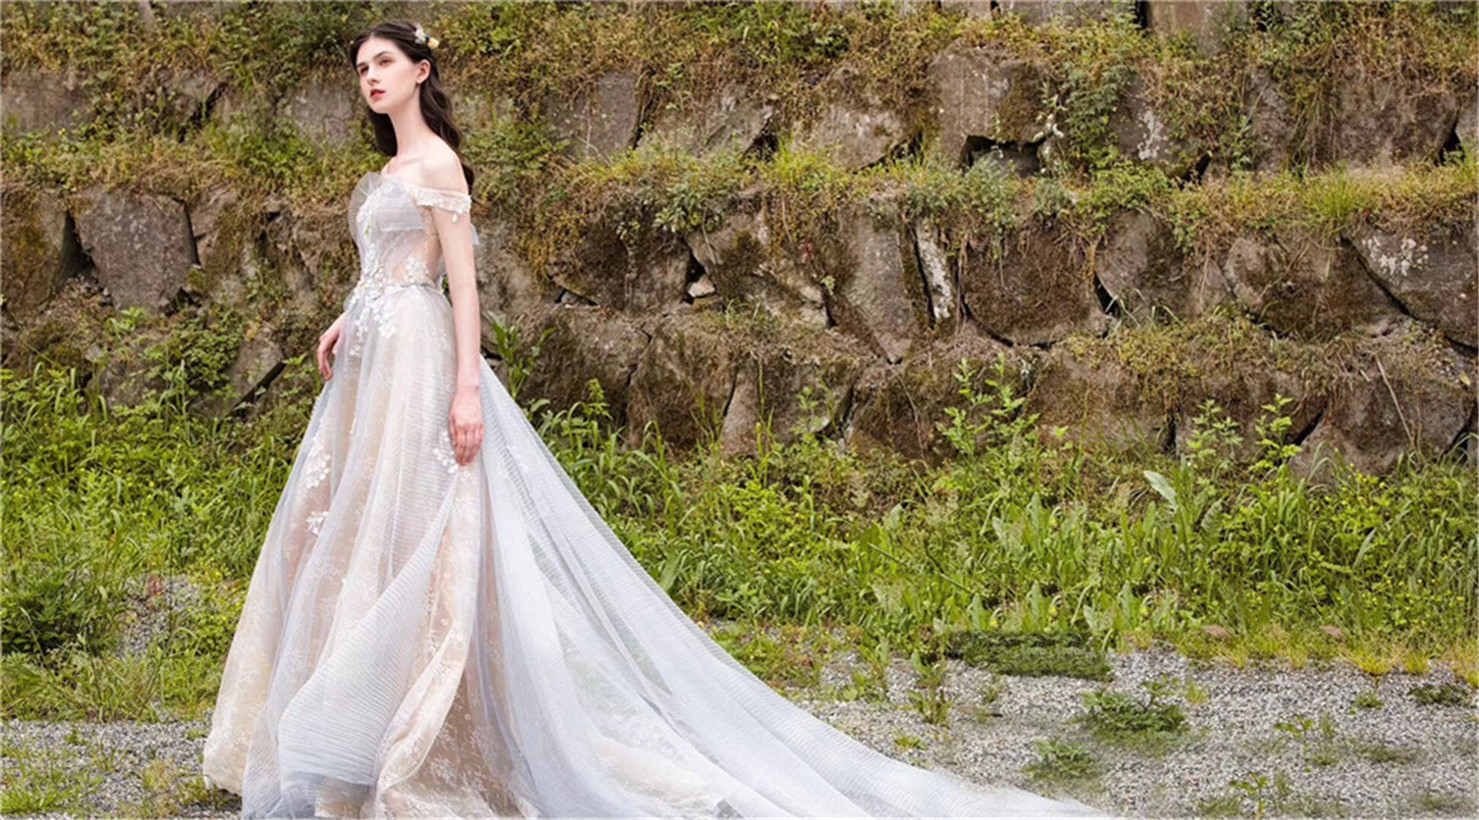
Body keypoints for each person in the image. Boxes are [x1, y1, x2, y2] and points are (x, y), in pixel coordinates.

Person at [200, 19, 1112, 820]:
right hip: (372, 358)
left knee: (415, 527)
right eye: (362, 67)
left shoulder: (437, 163)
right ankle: (341, 735)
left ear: (420, 72)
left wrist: (466, 389)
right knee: (351, 522)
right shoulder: (388, 171)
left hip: (419, 362)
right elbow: (387, 268)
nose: (371, 77)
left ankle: (413, 739)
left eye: (385, 63)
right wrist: (346, 316)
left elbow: (461, 286)